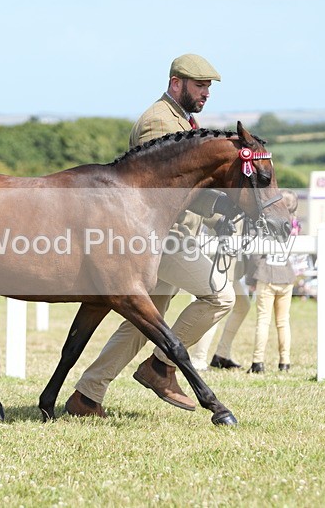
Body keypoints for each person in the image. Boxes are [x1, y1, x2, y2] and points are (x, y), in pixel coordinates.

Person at [64, 54, 236, 417]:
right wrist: (218, 207)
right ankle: (160, 367)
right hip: (161, 238)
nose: (206, 93)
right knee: (220, 296)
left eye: (208, 87)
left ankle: (87, 395)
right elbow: (165, 186)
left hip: (167, 236)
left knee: (143, 321)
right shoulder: (159, 122)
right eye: (200, 85)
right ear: (177, 83)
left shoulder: (181, 119)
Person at [244, 189, 298, 373]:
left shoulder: (268, 224)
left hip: (266, 275)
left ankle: (258, 362)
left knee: (263, 321)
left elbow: (256, 254)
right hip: (287, 277)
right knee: (283, 321)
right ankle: (285, 361)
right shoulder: (295, 226)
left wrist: (251, 276)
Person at [187, 256, 250, 371]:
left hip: (232, 261)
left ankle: (222, 355)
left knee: (243, 306)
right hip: (224, 260)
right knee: (217, 306)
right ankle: (198, 359)